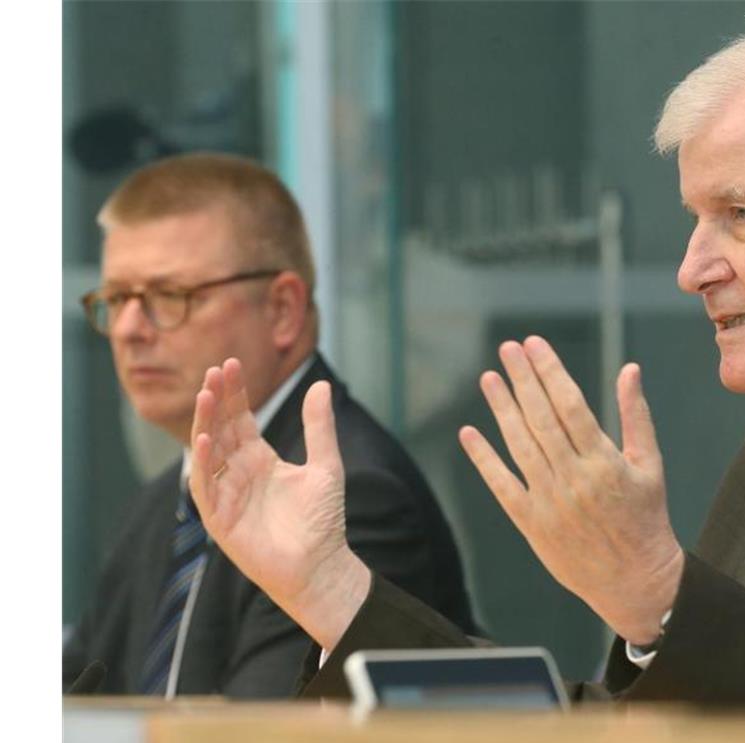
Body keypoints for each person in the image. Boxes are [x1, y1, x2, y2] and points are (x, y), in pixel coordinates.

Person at [187, 26, 745, 715]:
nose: (692, 267)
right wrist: (332, 592)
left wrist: (659, 599)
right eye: (696, 218)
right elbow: (629, 732)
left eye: (738, 214)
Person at [63, 153, 476, 698]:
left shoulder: (343, 494)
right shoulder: (164, 500)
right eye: (116, 300)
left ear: (282, 310)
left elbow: (261, 742)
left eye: (170, 296)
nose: (130, 330)